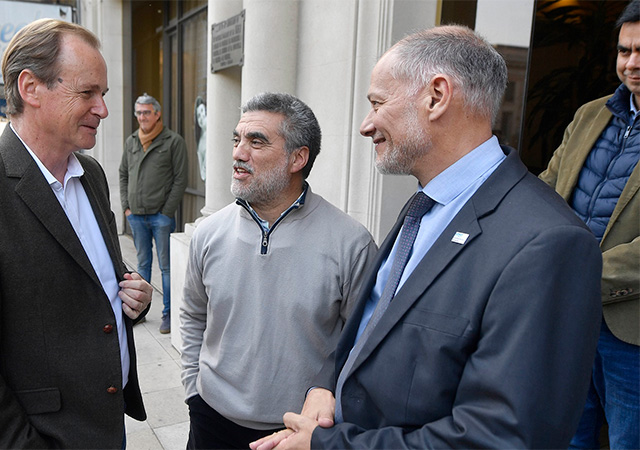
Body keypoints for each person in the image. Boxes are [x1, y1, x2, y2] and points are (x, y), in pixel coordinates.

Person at [251, 25, 603, 450]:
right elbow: (372, 330)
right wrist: (326, 385)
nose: (366, 126)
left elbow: (503, 437)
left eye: (378, 103)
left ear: (436, 96)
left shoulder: (549, 243)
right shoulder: (426, 204)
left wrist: (329, 446)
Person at [0, 19, 153, 449]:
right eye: (87, 92)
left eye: (104, 94)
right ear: (30, 87)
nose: (103, 109)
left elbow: (80, 274)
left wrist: (129, 294)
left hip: (107, 426)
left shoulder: (91, 175)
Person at [180, 92, 378, 449]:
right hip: (209, 420)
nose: (239, 153)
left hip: (297, 435)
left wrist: (327, 415)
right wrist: (193, 391)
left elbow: (364, 347)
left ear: (297, 158)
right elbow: (193, 315)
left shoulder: (351, 243)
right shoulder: (208, 232)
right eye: (237, 140)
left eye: (257, 142)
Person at [538, 2, 640, 448]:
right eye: (624, 50)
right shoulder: (589, 114)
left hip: (631, 330)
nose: (632, 63)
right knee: (567, 436)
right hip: (569, 318)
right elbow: (546, 192)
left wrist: (581, 274)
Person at [120, 93, 188, 334]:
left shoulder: (173, 141)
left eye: (146, 112)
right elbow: (123, 174)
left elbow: (180, 179)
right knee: (142, 266)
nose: (142, 117)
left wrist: (167, 211)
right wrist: (126, 207)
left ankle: (168, 314)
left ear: (157, 114)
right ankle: (140, 312)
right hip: (136, 215)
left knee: (166, 268)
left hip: (161, 217)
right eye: (138, 112)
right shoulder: (131, 142)